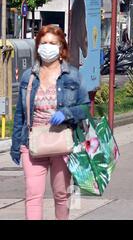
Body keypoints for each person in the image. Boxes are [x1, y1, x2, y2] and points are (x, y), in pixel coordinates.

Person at [10, 25, 90, 220]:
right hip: (32, 142)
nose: (47, 47)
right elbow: (20, 112)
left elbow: (85, 108)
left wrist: (67, 113)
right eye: (43, 43)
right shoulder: (29, 76)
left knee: (61, 195)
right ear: (37, 47)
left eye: (52, 43)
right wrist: (16, 144)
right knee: (33, 195)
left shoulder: (73, 75)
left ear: (61, 47)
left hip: (61, 142)